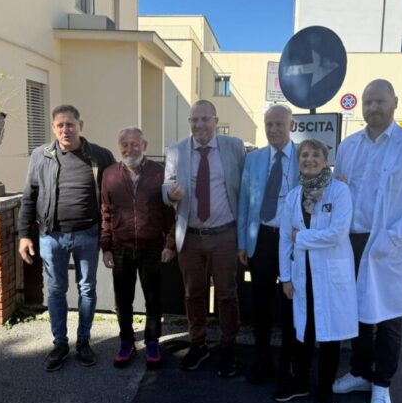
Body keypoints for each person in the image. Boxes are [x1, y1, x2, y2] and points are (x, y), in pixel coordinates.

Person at [333, 79, 402, 403]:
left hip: (390, 243)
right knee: (358, 312)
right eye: (368, 102)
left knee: (389, 317)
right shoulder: (349, 147)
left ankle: (382, 382)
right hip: (352, 240)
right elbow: (339, 192)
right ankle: (360, 372)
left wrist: (393, 238)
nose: (373, 108)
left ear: (394, 102)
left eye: (380, 101)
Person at [18, 104, 115, 371]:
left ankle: (83, 342)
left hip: (88, 235)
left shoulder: (100, 156)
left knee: (87, 289)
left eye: (70, 124)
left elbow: (113, 196)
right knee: (56, 290)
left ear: (80, 126)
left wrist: (110, 239)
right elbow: (29, 196)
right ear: (53, 128)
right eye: (60, 125)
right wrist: (24, 235)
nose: (65, 130)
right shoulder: (41, 155)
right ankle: (60, 343)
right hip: (52, 236)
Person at [163, 99, 245, 377]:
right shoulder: (176, 150)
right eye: (194, 120)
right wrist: (169, 194)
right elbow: (166, 186)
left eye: (204, 119)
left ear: (215, 121)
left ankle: (229, 345)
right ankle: (198, 343)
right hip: (191, 236)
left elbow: (246, 186)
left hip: (225, 234)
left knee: (227, 293)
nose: (199, 125)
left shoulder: (234, 147)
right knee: (193, 293)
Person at [274, 139, 357, 403]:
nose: (309, 159)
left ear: (325, 160)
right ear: (298, 161)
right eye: (304, 155)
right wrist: (285, 277)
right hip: (302, 274)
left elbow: (337, 234)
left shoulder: (339, 191)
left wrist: (301, 237)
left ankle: (325, 388)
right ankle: (301, 384)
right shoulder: (294, 196)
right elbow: (285, 238)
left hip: (330, 275)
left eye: (315, 155)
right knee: (304, 331)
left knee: (330, 333)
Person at [101, 127, 176, 369]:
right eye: (125, 144)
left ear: (144, 145)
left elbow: (169, 213)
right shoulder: (109, 174)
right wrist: (106, 247)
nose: (129, 149)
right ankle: (127, 342)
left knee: (153, 299)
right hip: (121, 247)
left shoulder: (159, 173)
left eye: (134, 144)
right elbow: (106, 212)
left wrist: (170, 244)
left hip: (152, 247)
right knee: (123, 300)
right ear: (119, 147)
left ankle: (152, 342)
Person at [237, 104, 298, 385]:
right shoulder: (254, 159)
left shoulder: (304, 156)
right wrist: (242, 243)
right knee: (261, 303)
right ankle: (262, 359)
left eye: (279, 124)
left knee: (290, 302)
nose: (273, 129)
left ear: (291, 125)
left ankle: (288, 361)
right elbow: (244, 203)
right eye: (269, 124)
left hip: (292, 242)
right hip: (261, 238)